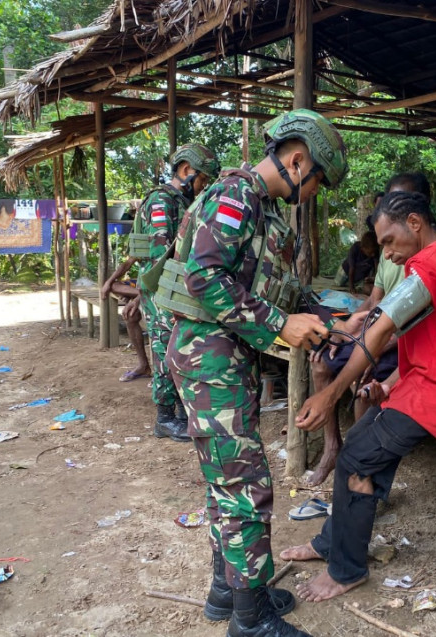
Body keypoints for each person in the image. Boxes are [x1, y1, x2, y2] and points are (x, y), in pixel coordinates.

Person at [163, 110, 354, 637]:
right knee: (245, 482)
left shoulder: (260, 207)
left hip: (222, 356)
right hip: (209, 357)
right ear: (297, 161)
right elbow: (204, 276)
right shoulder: (238, 196)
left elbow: (271, 288)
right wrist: (278, 324)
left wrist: (331, 318)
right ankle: (251, 621)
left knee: (226, 479)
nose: (315, 193)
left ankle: (229, 590)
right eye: (318, 182)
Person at [281, 190, 436, 603]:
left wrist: (329, 394)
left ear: (414, 223)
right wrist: (393, 383)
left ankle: (346, 570)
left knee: (355, 457)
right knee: (366, 440)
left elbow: (380, 329)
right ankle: (332, 543)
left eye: (388, 241)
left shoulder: (430, 263)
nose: (387, 252)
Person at [304, 172, 430, 487]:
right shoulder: (391, 252)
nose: (385, 249)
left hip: (404, 345)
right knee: (319, 359)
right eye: (388, 201)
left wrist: (367, 342)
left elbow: (416, 328)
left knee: (364, 378)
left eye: (399, 202)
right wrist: (342, 330)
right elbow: (375, 301)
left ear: (417, 214)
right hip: (380, 336)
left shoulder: (428, 261)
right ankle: (333, 447)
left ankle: (363, 468)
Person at [101, 143, 220, 441]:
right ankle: (164, 418)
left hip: (170, 290)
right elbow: (158, 254)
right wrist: (148, 294)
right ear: (184, 170)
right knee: (166, 350)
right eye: (202, 179)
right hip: (162, 292)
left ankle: (179, 412)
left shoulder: (179, 200)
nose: (203, 186)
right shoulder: (162, 201)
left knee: (175, 350)